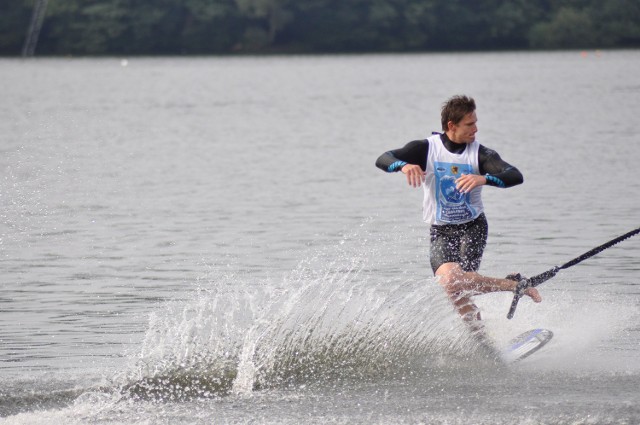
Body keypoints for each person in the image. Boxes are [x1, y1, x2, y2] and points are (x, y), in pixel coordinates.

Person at [375, 95, 541, 335]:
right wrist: (404, 165)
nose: (476, 128)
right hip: (441, 229)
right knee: (455, 288)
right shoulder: (426, 148)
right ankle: (486, 333)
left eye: (475, 122)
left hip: (472, 227)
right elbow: (383, 158)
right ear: (451, 126)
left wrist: (483, 178)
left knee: (458, 285)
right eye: (469, 124)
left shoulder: (481, 154)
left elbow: (515, 175)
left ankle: (511, 292)